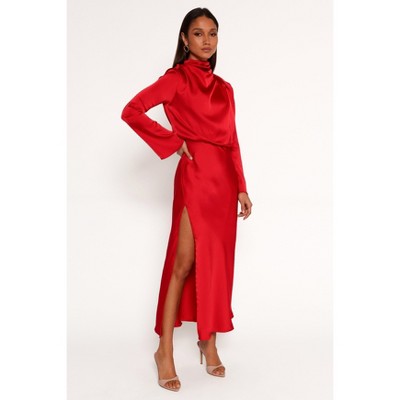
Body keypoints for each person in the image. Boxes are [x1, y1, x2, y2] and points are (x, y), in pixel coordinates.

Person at [121, 7, 253, 392]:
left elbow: (232, 140)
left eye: (212, 33)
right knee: (183, 263)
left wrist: (242, 186)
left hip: (224, 184)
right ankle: (163, 350)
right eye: (198, 33)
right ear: (184, 39)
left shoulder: (225, 88)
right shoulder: (176, 80)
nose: (207, 40)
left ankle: (207, 342)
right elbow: (132, 111)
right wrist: (173, 142)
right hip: (195, 178)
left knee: (218, 264)